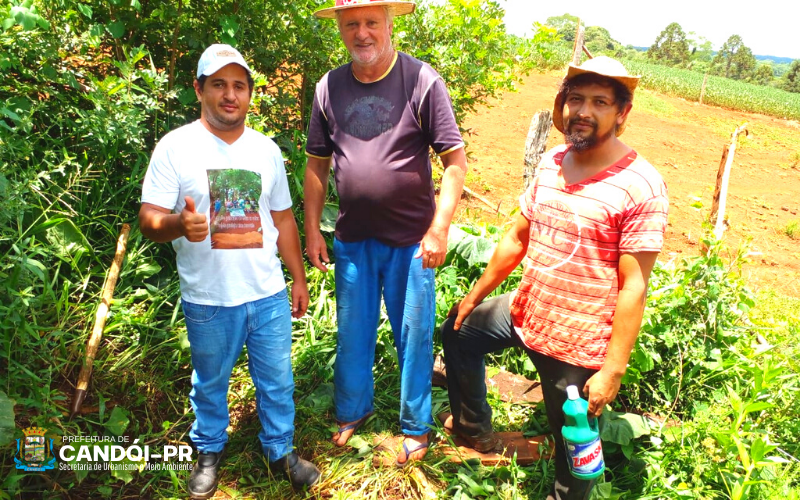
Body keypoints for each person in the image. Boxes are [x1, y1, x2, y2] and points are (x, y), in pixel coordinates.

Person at [440, 56, 669, 499]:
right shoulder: (552, 162)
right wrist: (473, 297)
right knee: (458, 332)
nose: (583, 111)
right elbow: (516, 237)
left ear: (622, 113)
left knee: (575, 450)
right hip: (526, 310)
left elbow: (634, 285)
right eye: (576, 98)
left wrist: (613, 370)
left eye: (600, 102)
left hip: (577, 341)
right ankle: (473, 429)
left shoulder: (641, 185)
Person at [138, 44, 321, 498]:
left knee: (278, 379)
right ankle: (208, 450)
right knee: (210, 380)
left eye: (239, 85)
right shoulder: (175, 148)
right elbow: (148, 219)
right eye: (218, 84)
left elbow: (282, 219)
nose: (229, 94)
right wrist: (180, 223)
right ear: (198, 89)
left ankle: (280, 450)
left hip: (267, 293)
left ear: (249, 95)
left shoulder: (266, 150)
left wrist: (297, 278)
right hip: (208, 297)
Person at [304, 0, 467, 466]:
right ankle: (353, 411)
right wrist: (313, 228)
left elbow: (454, 162)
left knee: (413, 335)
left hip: (411, 242)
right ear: (339, 27)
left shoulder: (420, 80)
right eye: (351, 23)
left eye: (371, 21)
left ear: (389, 23)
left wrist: (439, 228)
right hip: (352, 239)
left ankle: (415, 426)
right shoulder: (329, 87)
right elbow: (316, 164)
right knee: (352, 333)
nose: (362, 33)